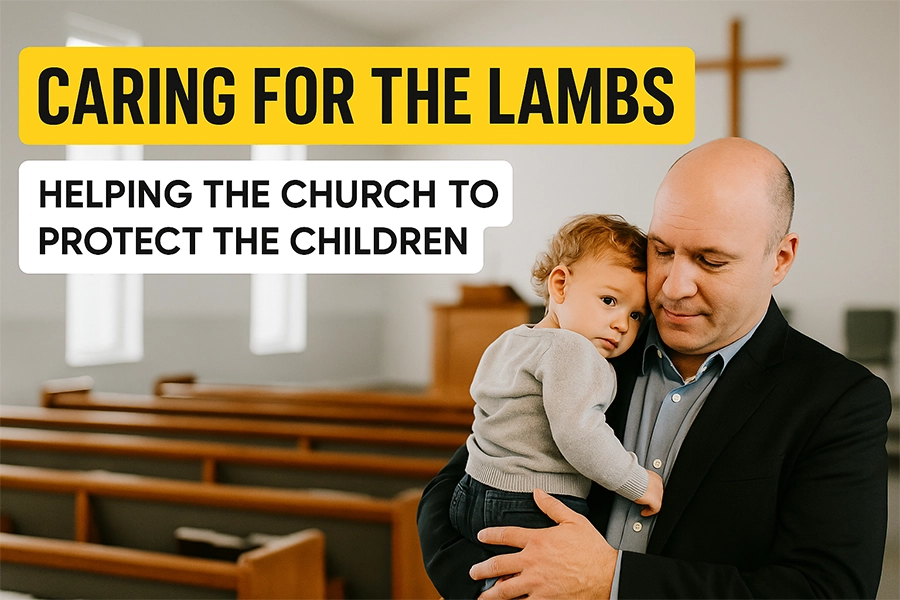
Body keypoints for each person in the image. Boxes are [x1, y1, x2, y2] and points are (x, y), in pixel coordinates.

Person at [417, 137, 892, 599]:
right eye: (662, 250)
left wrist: (612, 580)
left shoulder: (840, 402)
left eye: (711, 260)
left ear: (780, 259)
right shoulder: (587, 344)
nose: (674, 286)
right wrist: (495, 587)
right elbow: (450, 493)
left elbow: (825, 590)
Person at [450, 215, 664, 590]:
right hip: (531, 503)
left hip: (471, 490)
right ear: (560, 285)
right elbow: (580, 435)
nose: (621, 324)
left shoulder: (510, 340)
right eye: (609, 300)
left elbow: (483, 406)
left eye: (635, 315)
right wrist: (638, 482)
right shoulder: (575, 351)